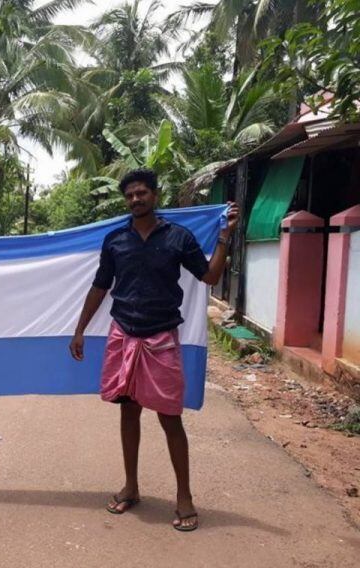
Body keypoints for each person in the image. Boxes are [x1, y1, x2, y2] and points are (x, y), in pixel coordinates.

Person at [69, 168, 239, 532]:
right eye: (130, 195)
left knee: (169, 418)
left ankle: (185, 497)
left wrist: (224, 238)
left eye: (142, 193)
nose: (135, 199)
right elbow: (100, 286)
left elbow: (209, 277)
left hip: (161, 338)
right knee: (128, 413)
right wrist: (79, 329)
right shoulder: (115, 240)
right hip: (123, 334)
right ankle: (130, 487)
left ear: (155, 195)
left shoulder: (179, 237)